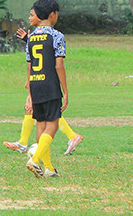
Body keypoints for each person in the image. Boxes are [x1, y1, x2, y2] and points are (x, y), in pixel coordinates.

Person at [5, 23, 84, 157]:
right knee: (38, 110)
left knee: (44, 112)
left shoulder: (53, 34)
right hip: (38, 78)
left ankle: (27, 145)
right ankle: (24, 143)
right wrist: (27, 39)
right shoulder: (38, 35)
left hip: (43, 80)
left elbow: (46, 54)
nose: (30, 18)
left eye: (32, 14)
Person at [24, 0, 69, 178]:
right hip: (50, 84)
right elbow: (59, 65)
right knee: (53, 125)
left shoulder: (31, 37)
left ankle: (49, 169)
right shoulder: (57, 36)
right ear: (53, 14)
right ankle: (34, 159)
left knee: (41, 126)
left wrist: (29, 93)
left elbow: (29, 66)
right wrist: (65, 90)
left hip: (35, 83)